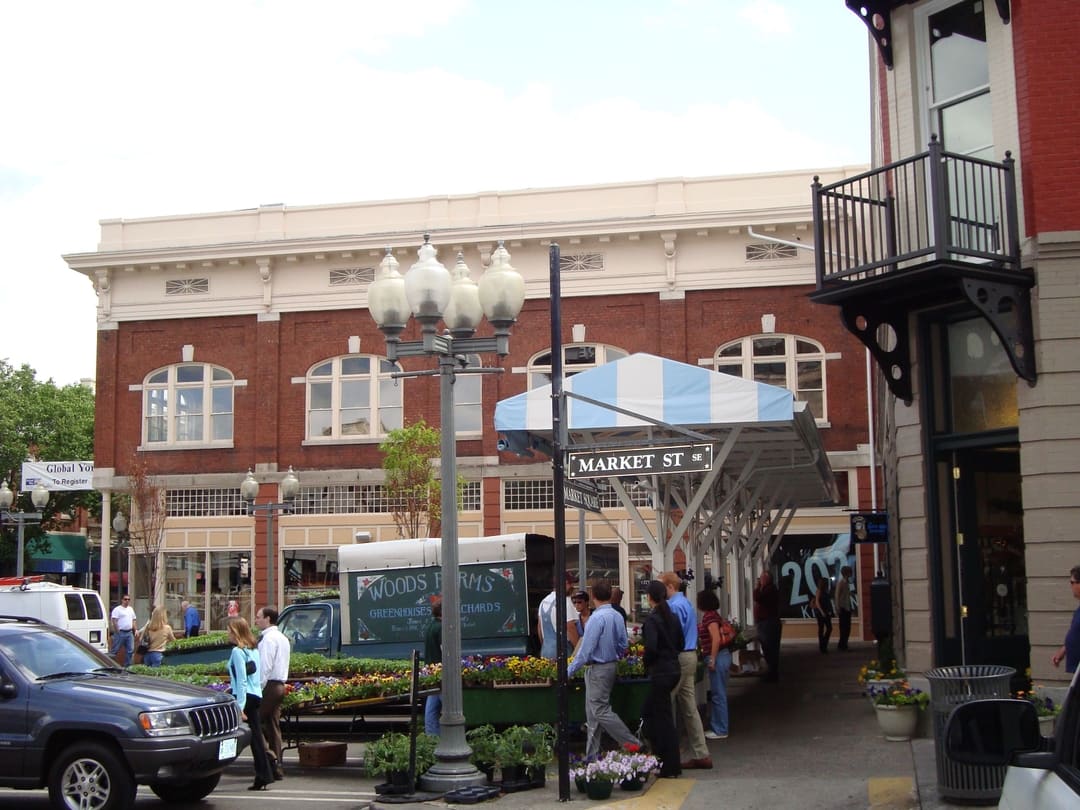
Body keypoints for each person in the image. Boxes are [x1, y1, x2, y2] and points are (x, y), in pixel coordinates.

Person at [566, 579, 640, 758]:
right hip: (610, 665)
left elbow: (585, 652)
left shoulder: (595, 619)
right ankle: (591, 756)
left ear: (592, 596)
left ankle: (632, 743)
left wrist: (567, 672)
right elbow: (623, 644)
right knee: (592, 714)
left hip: (596, 668)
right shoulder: (617, 615)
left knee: (599, 710)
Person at [659, 571, 711, 770]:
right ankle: (701, 752)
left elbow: (672, 634)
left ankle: (666, 755)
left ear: (669, 587)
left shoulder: (674, 606)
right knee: (689, 708)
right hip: (690, 655)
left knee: (663, 704)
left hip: (679, 657)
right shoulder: (686, 603)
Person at [642, 580, 682, 778]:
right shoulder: (672, 617)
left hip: (660, 671)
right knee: (655, 713)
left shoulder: (652, 620)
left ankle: (669, 764)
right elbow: (681, 643)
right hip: (674, 669)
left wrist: (646, 663)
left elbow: (651, 647)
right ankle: (663, 758)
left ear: (649, 597)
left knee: (662, 719)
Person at [228, 617, 274, 791]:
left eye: (229, 631)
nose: (228, 634)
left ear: (236, 632)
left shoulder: (237, 652)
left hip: (244, 697)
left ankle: (264, 773)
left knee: (230, 735)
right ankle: (265, 773)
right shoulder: (253, 649)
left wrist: (240, 706)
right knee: (256, 738)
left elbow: (241, 681)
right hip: (255, 695)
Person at [255, 605, 291, 780]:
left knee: (253, 723)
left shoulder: (268, 640)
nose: (256, 620)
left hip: (269, 685)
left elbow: (265, 667)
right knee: (272, 724)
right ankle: (277, 766)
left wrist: (258, 689)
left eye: (258, 617)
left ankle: (271, 758)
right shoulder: (283, 638)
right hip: (280, 685)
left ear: (268, 619)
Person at [696, 589, 732, 740]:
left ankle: (721, 728)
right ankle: (718, 726)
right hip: (723, 656)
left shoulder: (709, 617)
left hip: (718, 657)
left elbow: (715, 638)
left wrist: (712, 658)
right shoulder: (713, 615)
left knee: (718, 695)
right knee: (718, 693)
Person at [538, 571, 579, 658]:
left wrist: (546, 646)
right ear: (564, 583)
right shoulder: (565, 602)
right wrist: (578, 650)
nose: (572, 586)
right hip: (562, 653)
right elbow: (570, 627)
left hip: (546, 651)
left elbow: (539, 627)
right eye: (570, 583)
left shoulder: (544, 601)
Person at [753, 571, 782, 682]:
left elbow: (757, 597)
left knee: (770, 648)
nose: (760, 580)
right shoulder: (769, 589)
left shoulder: (769, 590)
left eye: (761, 578)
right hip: (767, 622)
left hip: (768, 623)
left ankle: (773, 673)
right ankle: (772, 672)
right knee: (769, 648)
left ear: (767, 579)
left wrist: (757, 587)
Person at [1051, 565, 1080, 673]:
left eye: (1072, 582)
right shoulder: (1079, 610)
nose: (1071, 586)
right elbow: (1076, 634)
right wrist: (1063, 651)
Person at [423, 599, 443, 735]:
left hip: (431, 672)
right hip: (441, 671)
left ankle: (431, 735)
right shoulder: (441, 627)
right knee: (450, 708)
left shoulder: (430, 626)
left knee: (432, 707)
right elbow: (444, 648)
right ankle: (451, 737)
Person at [109, 594, 137, 665]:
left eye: (128, 599)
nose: (127, 601)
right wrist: (117, 630)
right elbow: (114, 620)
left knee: (130, 650)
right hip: (120, 632)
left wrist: (135, 630)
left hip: (129, 632)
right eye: (125, 599)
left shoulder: (130, 609)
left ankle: (127, 666)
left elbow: (133, 620)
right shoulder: (117, 609)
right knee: (115, 650)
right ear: (122, 600)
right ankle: (110, 665)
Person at [811, 573, 833, 654]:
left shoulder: (825, 591)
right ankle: (822, 645)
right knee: (823, 628)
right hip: (821, 613)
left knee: (828, 628)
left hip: (825, 612)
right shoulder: (819, 591)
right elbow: (817, 602)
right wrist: (822, 612)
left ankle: (823, 644)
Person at [835, 566, 853, 651]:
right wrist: (837, 607)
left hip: (847, 607)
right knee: (843, 627)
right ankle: (842, 644)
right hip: (843, 607)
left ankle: (844, 643)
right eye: (850, 572)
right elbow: (837, 595)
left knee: (847, 627)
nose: (851, 574)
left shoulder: (847, 583)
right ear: (847, 573)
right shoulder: (841, 583)